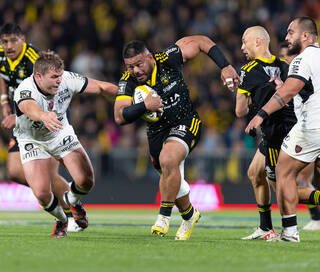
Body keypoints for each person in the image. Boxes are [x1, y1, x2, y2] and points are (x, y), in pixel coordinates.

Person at [114, 36, 240, 240]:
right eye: (130, 67)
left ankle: (163, 217)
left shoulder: (167, 58)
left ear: (149, 57)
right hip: (156, 132)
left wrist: (224, 65)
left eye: (139, 64)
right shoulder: (127, 82)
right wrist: (144, 106)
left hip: (186, 121)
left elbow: (201, 42)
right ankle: (189, 215)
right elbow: (119, 116)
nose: (135, 71)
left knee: (168, 160)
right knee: (170, 174)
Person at [13, 50, 117, 238]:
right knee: (43, 195)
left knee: (86, 181)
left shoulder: (67, 79)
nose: (59, 81)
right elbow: (28, 107)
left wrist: (129, 97)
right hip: (31, 139)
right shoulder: (25, 89)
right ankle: (62, 220)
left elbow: (101, 87)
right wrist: (43, 116)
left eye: (59, 76)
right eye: (53, 77)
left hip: (59, 133)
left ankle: (72, 200)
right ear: (38, 76)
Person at [236, 26, 320, 240]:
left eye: (245, 41)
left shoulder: (248, 70)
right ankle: (265, 228)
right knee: (255, 173)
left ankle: (288, 228)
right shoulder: (285, 66)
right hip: (286, 128)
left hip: (276, 132)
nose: (242, 47)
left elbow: (240, 111)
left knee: (283, 186)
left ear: (258, 42)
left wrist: (238, 91)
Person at [0, 23, 81, 232]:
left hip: (48, 119)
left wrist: (18, 117)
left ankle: (70, 213)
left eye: (12, 41)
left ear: (23, 39)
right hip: (25, 122)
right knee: (15, 172)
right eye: (4, 41)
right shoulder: (2, 55)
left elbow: (46, 98)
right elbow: (2, 74)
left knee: (48, 176)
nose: (7, 46)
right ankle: (60, 202)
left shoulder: (33, 61)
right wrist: (3, 101)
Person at [280, 41, 320, 231]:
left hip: (308, 132)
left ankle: (313, 219)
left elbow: (294, 91)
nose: (284, 61)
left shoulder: (302, 69)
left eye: (286, 57)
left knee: (297, 180)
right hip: (304, 131)